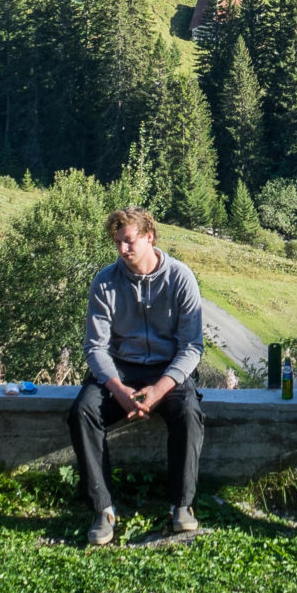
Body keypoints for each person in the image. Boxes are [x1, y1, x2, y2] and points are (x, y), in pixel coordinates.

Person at [68, 205, 204, 549]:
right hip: (120, 368)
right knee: (83, 411)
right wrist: (119, 389)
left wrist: (158, 390)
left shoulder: (180, 277)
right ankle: (103, 509)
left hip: (167, 369)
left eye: (129, 241)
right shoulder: (105, 281)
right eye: (118, 243)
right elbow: (95, 347)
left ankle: (181, 504)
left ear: (149, 237)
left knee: (188, 413)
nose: (123, 250)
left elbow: (191, 346)